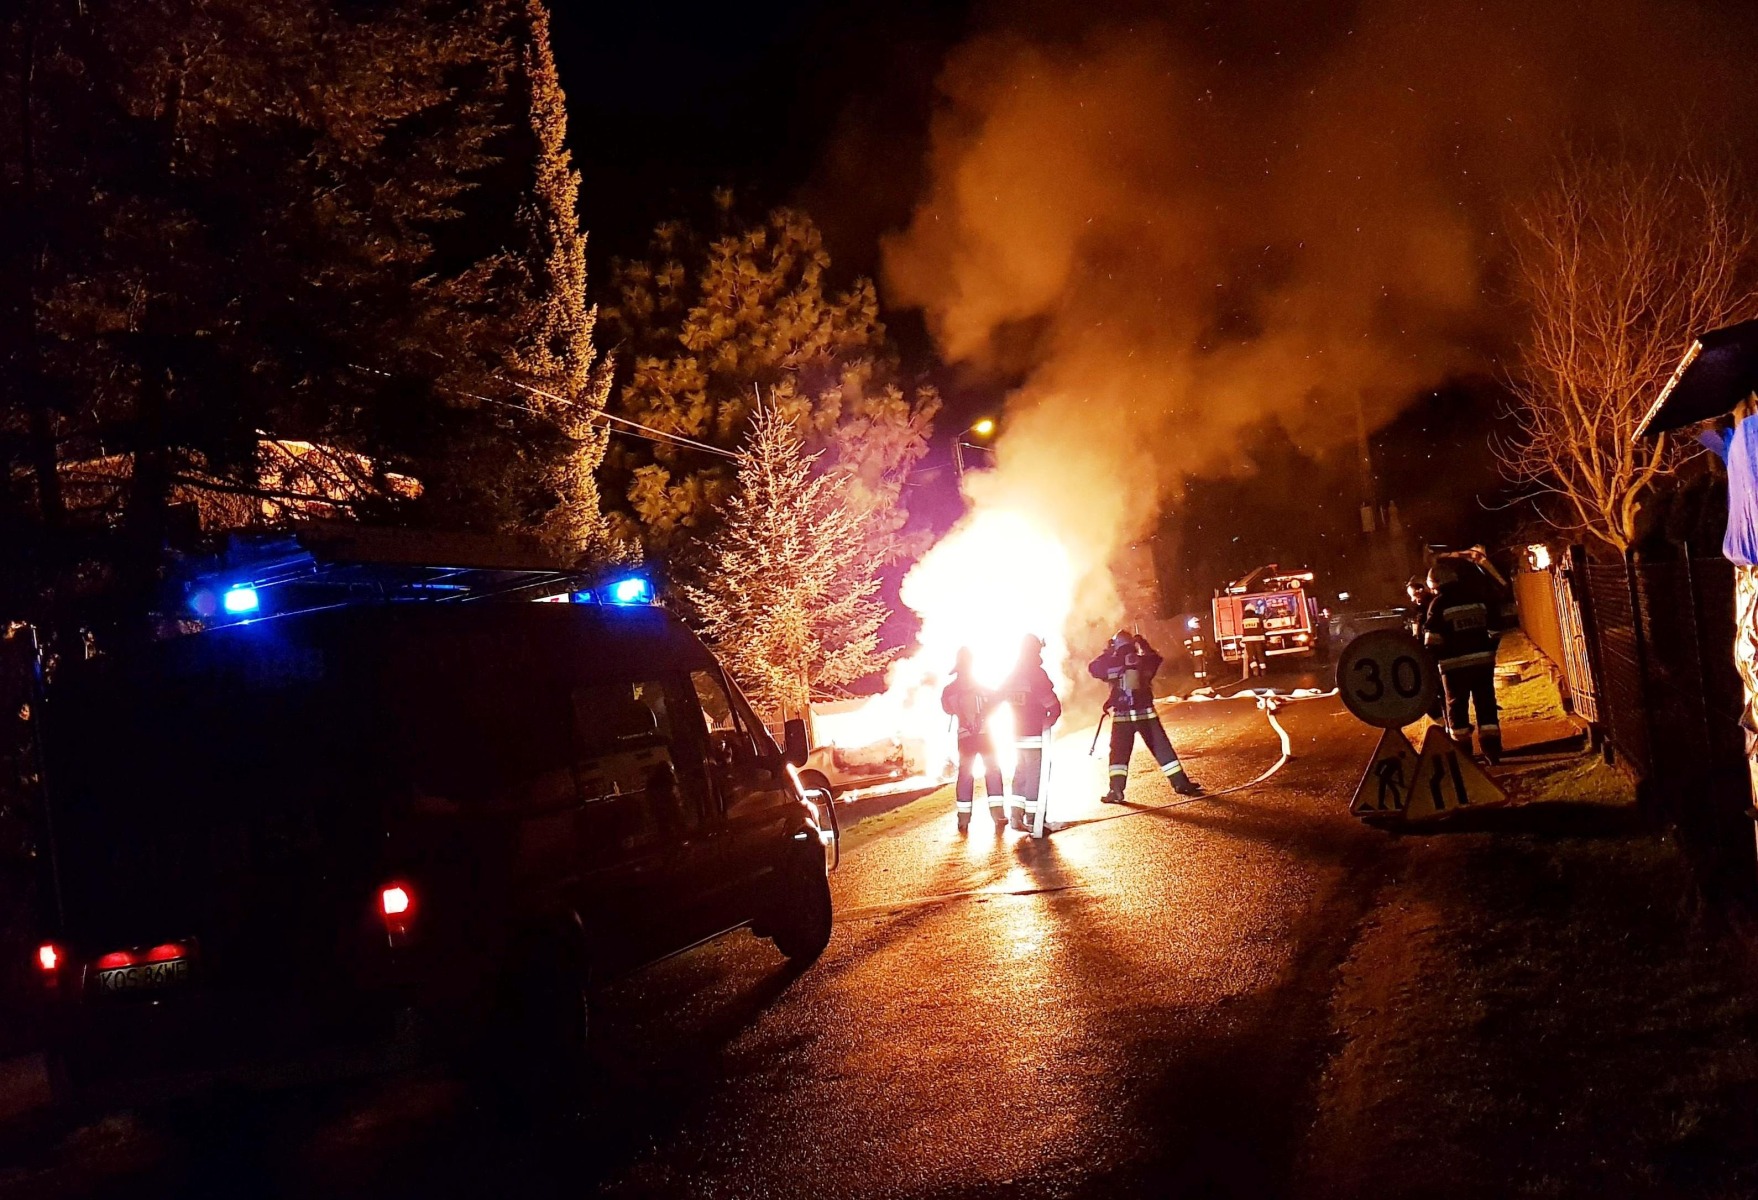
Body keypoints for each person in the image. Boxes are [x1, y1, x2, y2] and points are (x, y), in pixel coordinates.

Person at [1089, 631, 1202, 803]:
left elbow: (1094, 668)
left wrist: (1107, 650)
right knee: (1163, 749)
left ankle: (1116, 791)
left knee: (1118, 756)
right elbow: (1156, 658)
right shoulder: (1142, 661)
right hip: (1145, 715)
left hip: (1123, 718)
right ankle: (1181, 784)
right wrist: (1142, 643)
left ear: (1116, 645)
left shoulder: (1111, 663)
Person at [1422, 559, 1502, 763]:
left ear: (1436, 584)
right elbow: (1495, 628)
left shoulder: (1439, 604)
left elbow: (1433, 640)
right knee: (1486, 704)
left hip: (1454, 667)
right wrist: (1488, 650)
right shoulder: (1477, 597)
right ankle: (1492, 751)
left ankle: (1463, 754)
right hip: (1483, 663)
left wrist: (1432, 662)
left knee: (1457, 708)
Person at [999, 635, 1063, 831]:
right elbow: (1050, 701)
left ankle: (1016, 816)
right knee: (1037, 775)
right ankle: (1035, 820)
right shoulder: (1035, 674)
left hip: (1017, 734)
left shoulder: (1013, 674)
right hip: (1035, 733)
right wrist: (1054, 712)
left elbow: (999, 696)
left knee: (1021, 774)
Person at [940, 648, 1004, 832]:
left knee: (966, 775)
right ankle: (998, 815)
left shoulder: (949, 690)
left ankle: (963, 819)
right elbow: (997, 699)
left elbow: (947, 709)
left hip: (966, 739)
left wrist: (967, 719)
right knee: (992, 771)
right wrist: (983, 716)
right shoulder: (982, 687)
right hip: (984, 736)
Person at [1239, 600, 1268, 679]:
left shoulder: (1243, 618)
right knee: (1259, 654)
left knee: (1251, 655)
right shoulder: (1257, 617)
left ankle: (1255, 670)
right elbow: (1263, 625)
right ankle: (1263, 670)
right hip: (1258, 638)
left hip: (1248, 640)